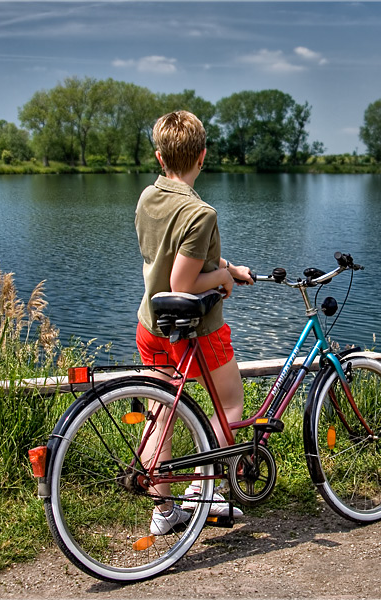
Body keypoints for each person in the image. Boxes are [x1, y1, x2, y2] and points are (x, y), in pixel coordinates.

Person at [134, 110, 253, 535]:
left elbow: (174, 253)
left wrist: (227, 265)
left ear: (160, 157)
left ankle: (164, 512)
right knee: (230, 407)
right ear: (202, 156)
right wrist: (221, 278)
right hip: (194, 330)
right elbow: (182, 281)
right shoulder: (201, 212)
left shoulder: (148, 197)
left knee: (159, 414)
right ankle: (203, 497)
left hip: (152, 324)